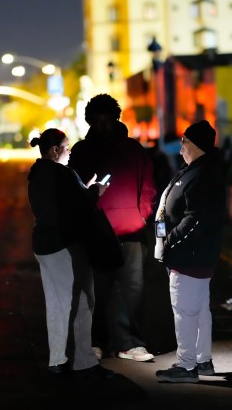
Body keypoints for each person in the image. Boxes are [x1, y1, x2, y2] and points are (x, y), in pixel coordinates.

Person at [68, 94, 157, 362]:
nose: (103, 126)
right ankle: (97, 342)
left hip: (131, 231)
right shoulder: (82, 152)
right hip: (97, 232)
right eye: (97, 121)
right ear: (90, 122)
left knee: (133, 290)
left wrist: (142, 216)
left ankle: (131, 344)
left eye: (107, 120)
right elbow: (74, 191)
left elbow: (149, 187)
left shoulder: (133, 149)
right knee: (97, 292)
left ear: (116, 118)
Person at [27, 128, 114, 379]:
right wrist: (95, 190)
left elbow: (63, 202)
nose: (70, 152)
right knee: (82, 301)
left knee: (56, 303)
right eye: (67, 147)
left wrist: (83, 188)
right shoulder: (61, 173)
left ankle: (58, 359)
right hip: (65, 244)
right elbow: (81, 205)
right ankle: (83, 361)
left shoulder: (37, 173)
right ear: (55, 150)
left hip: (44, 245)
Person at [153, 120, 226, 383]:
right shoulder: (196, 169)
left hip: (191, 255)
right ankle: (202, 360)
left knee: (185, 311)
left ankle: (186, 365)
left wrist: (169, 241)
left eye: (184, 141)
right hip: (194, 254)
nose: (180, 146)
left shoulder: (203, 174)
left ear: (193, 144)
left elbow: (195, 218)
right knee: (198, 309)